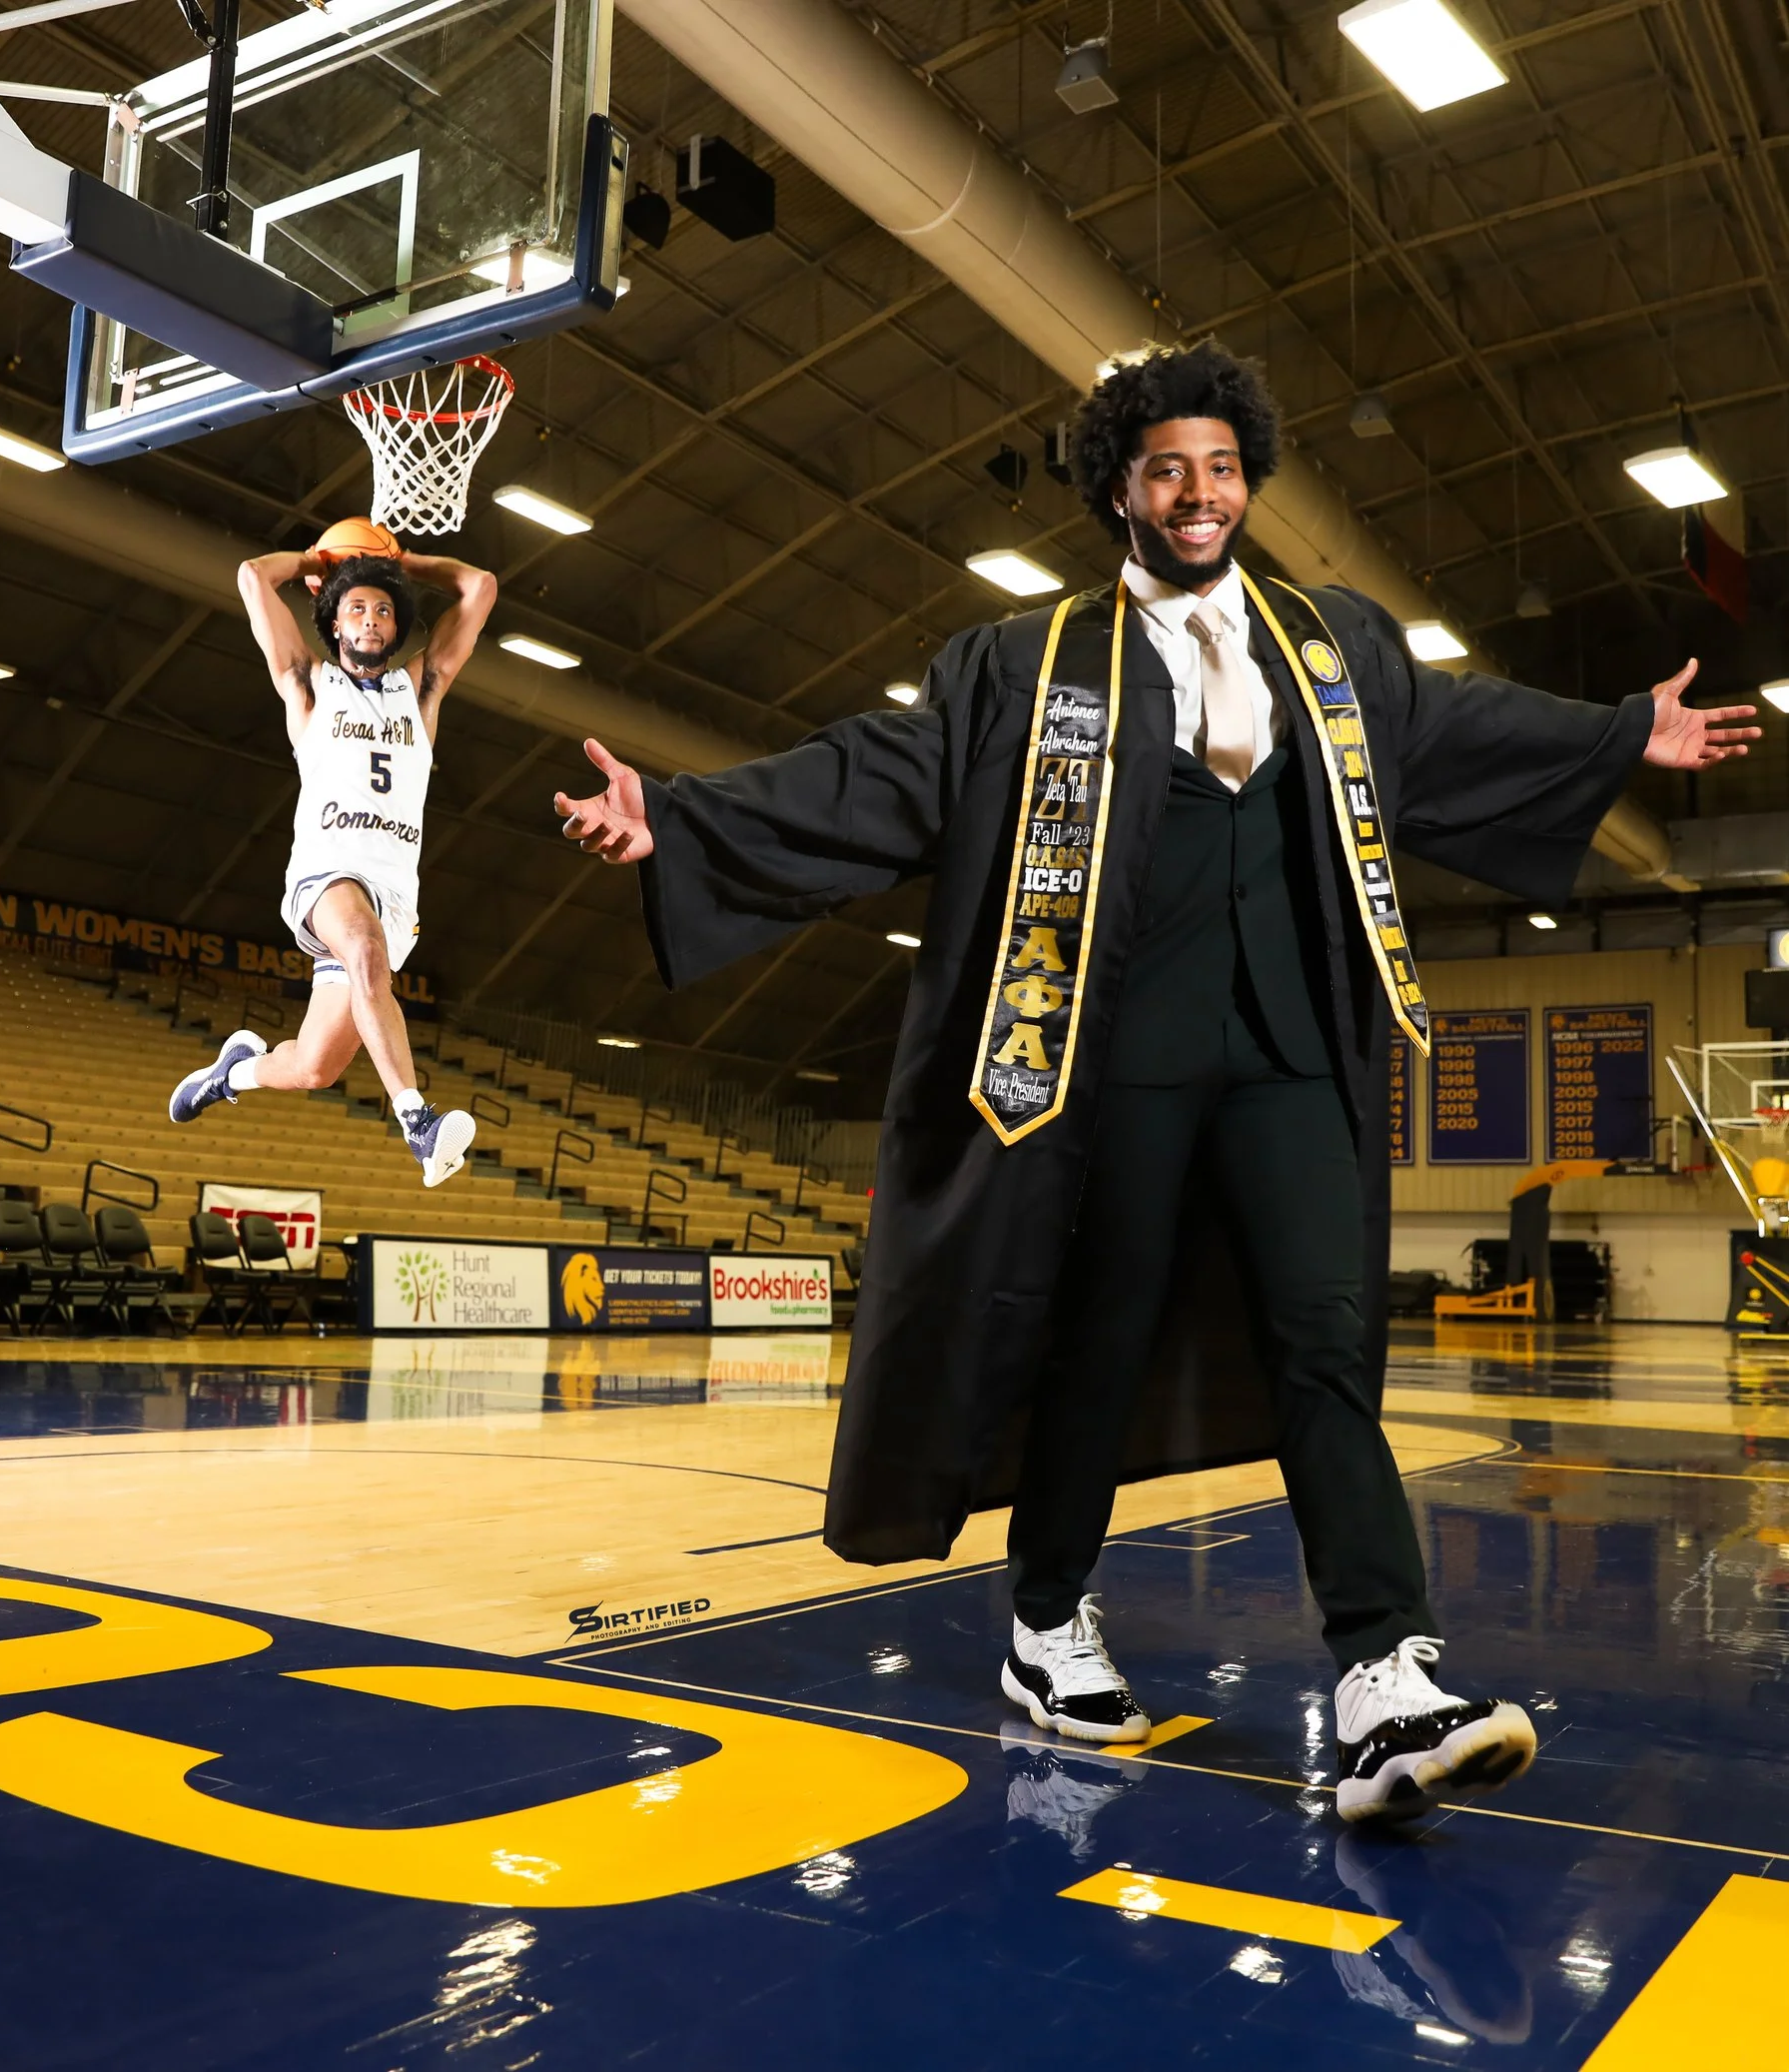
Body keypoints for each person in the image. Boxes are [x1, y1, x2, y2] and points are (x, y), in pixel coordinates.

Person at [554, 340, 1757, 1824]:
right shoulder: (1025, 662)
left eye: (1224, 466)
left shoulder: (1338, 645)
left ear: (1250, 480)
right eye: (1168, 468)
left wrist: (1628, 729)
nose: (1201, 493)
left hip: (1300, 1045)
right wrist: (679, 818)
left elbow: (1458, 731)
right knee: (1099, 1342)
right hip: (1107, 1060)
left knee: (1331, 1337)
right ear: (1119, 490)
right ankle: (1047, 1614)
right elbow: (887, 771)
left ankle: (1386, 1669)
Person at [170, 535, 495, 1188]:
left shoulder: (422, 687)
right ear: (335, 621)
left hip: (393, 895)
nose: (371, 619)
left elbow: (480, 585)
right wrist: (321, 563)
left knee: (314, 1069)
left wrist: (400, 566)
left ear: (397, 623)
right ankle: (418, 1123)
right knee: (364, 946)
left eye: (382, 609)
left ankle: (230, 1072)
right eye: (357, 608)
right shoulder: (307, 684)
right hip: (328, 877)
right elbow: (250, 577)